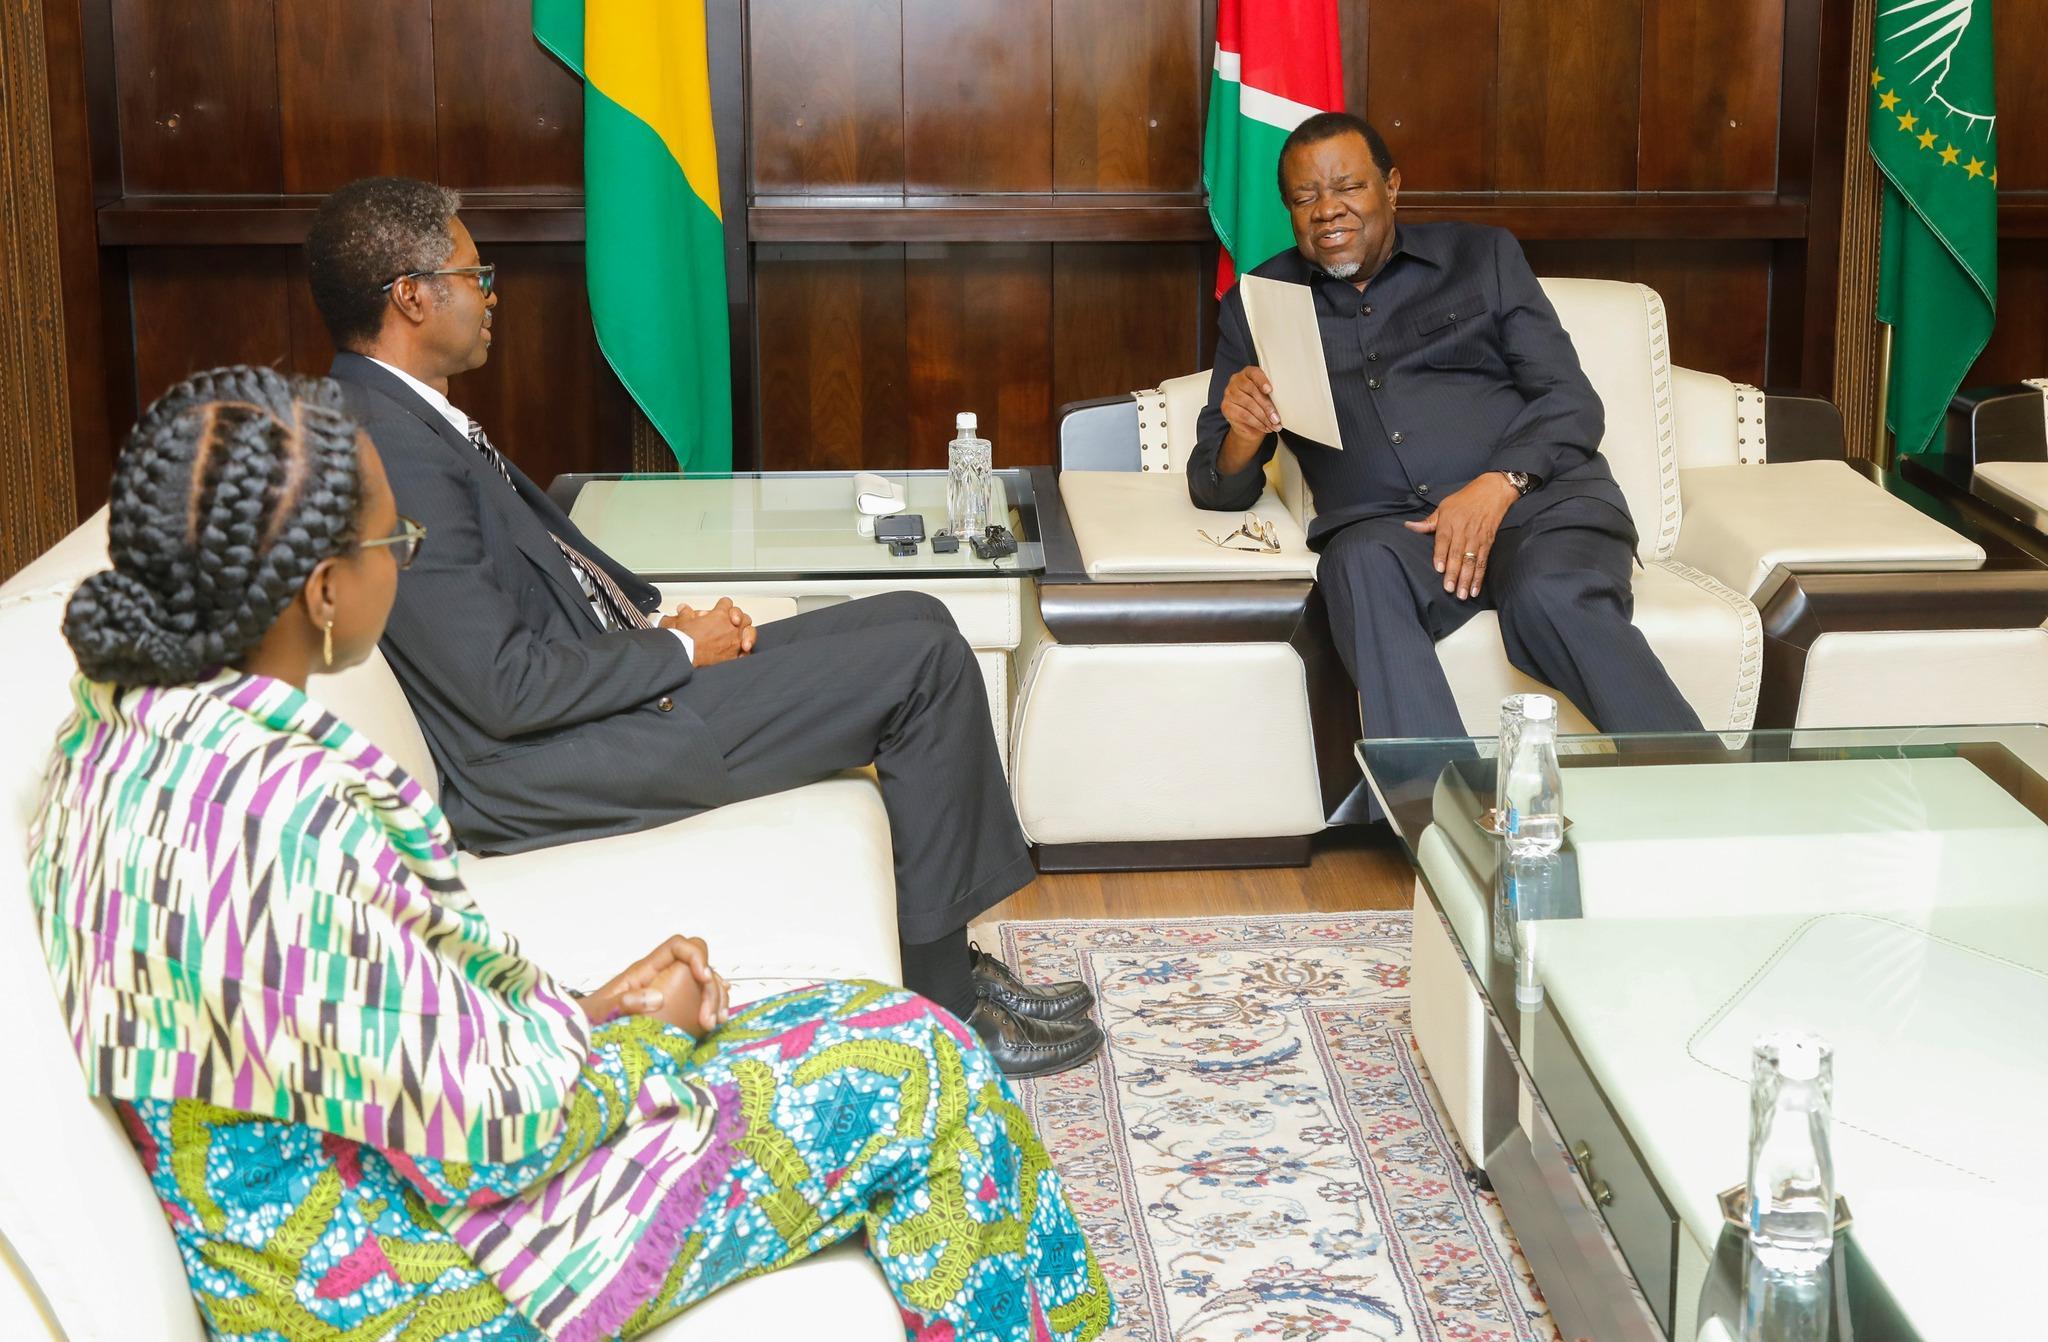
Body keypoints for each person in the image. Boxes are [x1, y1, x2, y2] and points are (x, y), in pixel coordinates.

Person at [26, 365, 1113, 1342]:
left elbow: (373, 1039)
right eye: (394, 544)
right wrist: (643, 1038)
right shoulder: (282, 817)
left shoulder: (119, 743)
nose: (405, 564)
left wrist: (587, 1010)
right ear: (323, 593)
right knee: (919, 1070)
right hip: (413, 1275)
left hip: (350, 1215)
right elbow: (502, 1124)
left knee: (858, 1020)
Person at [302, 176, 1097, 1077]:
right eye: (474, 274)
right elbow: (502, 686)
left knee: (919, 615)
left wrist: (656, 625)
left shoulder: (401, 415)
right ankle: (949, 1004)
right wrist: (678, 650)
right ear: (412, 295)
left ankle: (950, 961)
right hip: (552, 761)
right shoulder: (391, 447)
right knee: (919, 663)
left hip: (593, 703)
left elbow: (531, 597)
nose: (491, 295)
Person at [1189, 112, 1703, 770]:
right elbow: (1216, 487)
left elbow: (1569, 399)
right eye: (1305, 196)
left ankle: (1699, 789)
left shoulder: (1482, 258)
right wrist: (1242, 432)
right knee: (1354, 563)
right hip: (1399, 538)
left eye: (1347, 186)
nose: (1327, 209)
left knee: (1547, 596)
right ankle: (1440, 809)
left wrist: (1497, 486)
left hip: (1536, 509)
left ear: (1391, 186)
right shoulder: (1260, 302)